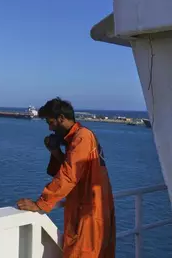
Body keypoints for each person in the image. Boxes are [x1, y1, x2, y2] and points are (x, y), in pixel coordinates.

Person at [17, 98, 115, 258]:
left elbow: (69, 175)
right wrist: (55, 151)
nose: (49, 127)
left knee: (82, 253)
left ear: (61, 118)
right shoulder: (80, 137)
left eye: (50, 122)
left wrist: (41, 203)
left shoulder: (82, 138)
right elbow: (72, 170)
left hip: (89, 211)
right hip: (91, 207)